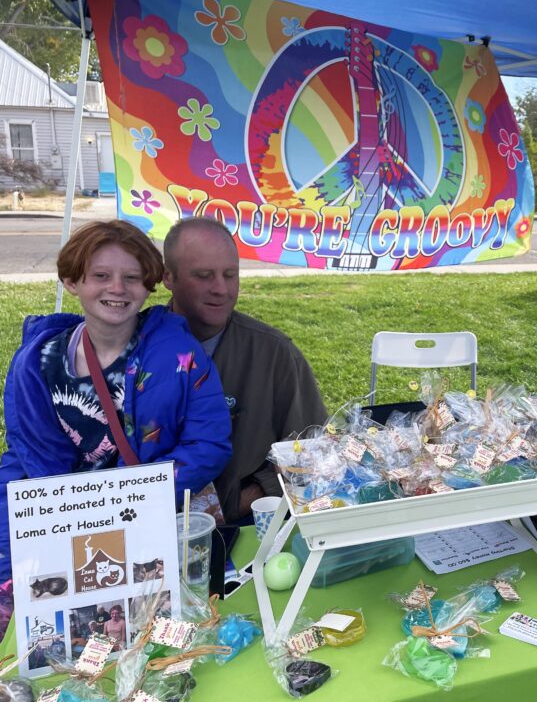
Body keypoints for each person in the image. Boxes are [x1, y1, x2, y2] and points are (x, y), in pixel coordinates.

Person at [0, 220, 232, 582]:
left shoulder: (181, 354)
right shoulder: (37, 365)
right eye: (101, 275)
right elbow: (30, 458)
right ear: (73, 282)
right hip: (71, 534)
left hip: (162, 527)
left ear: (148, 285)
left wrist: (130, 497)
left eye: (132, 278)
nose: (117, 289)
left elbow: (210, 443)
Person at [162, 217, 328, 523]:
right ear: (168, 277)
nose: (221, 289)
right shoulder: (133, 347)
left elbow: (314, 452)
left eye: (231, 275)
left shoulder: (275, 354)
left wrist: (247, 498)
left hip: (245, 528)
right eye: (203, 276)